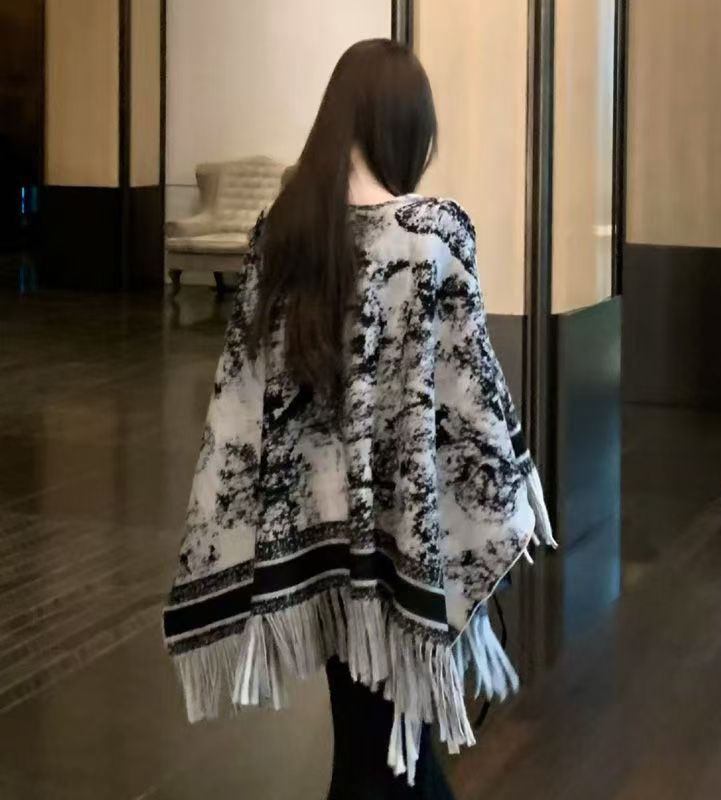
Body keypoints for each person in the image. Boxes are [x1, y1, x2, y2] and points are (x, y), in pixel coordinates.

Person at [162, 38, 554, 799]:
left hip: (316, 533)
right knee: (396, 754)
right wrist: (514, 484)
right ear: (407, 129)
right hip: (404, 532)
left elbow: (242, 393)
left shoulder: (282, 234)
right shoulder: (434, 233)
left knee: (364, 738)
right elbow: (473, 392)